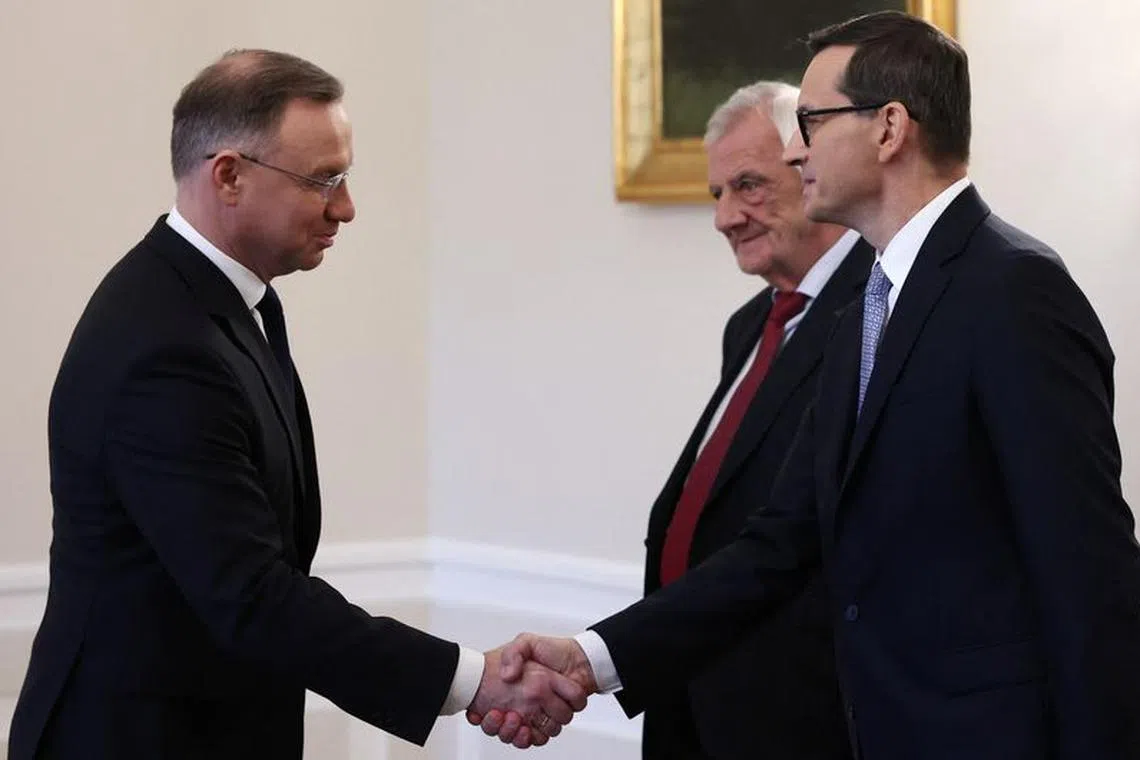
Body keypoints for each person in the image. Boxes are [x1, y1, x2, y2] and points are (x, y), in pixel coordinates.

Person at [479, 11, 1140, 759]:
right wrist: (591, 658)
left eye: (811, 122)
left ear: (889, 128)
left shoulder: (1015, 288)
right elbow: (781, 540)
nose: (797, 150)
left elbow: (1087, 572)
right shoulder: (865, 307)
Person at [7, 49, 583, 760]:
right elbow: (251, 595)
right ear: (229, 176)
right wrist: (474, 680)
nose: (346, 207)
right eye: (323, 180)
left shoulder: (234, 304)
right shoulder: (162, 344)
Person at [636, 81, 870, 760]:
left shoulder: (880, 310)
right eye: (717, 193)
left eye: (748, 186)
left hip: (801, 713)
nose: (725, 217)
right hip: (692, 686)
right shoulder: (751, 325)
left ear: (810, 166)